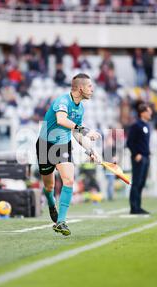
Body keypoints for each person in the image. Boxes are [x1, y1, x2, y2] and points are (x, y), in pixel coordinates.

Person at [36, 73, 101, 236]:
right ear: (81, 88)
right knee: (49, 186)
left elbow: (76, 134)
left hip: (63, 145)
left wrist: (91, 151)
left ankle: (61, 222)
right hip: (46, 144)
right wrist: (85, 130)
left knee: (69, 180)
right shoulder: (63, 101)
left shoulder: (81, 108)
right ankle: (51, 204)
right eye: (89, 86)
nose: (92, 90)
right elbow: (61, 120)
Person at [126, 103, 153, 214]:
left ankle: (138, 206)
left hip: (146, 157)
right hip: (139, 158)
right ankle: (134, 207)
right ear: (143, 113)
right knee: (136, 182)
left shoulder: (147, 125)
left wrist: (148, 153)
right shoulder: (136, 125)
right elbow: (129, 142)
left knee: (142, 182)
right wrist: (136, 153)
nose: (151, 113)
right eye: (148, 111)